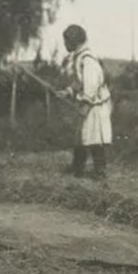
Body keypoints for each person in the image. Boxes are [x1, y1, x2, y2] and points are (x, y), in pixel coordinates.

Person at [56, 24, 113, 180]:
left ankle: (100, 172)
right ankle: (77, 170)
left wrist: (85, 106)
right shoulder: (79, 57)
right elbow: (79, 82)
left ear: (74, 41)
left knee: (94, 138)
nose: (65, 45)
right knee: (81, 136)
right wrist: (67, 92)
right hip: (90, 104)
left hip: (96, 105)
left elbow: (92, 86)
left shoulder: (88, 60)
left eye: (66, 41)